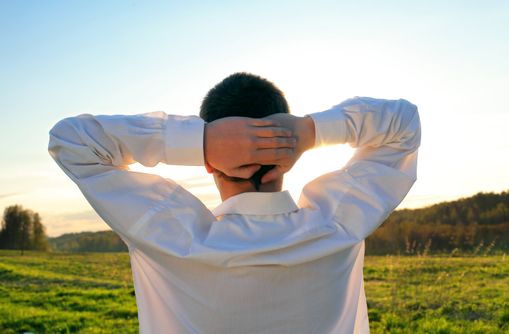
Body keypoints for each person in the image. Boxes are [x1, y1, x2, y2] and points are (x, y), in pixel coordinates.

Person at [48, 72, 421, 334]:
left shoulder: (169, 235)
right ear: (289, 156)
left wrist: (201, 140)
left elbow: (73, 141)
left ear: (209, 165)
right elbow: (403, 125)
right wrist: (309, 131)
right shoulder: (339, 223)